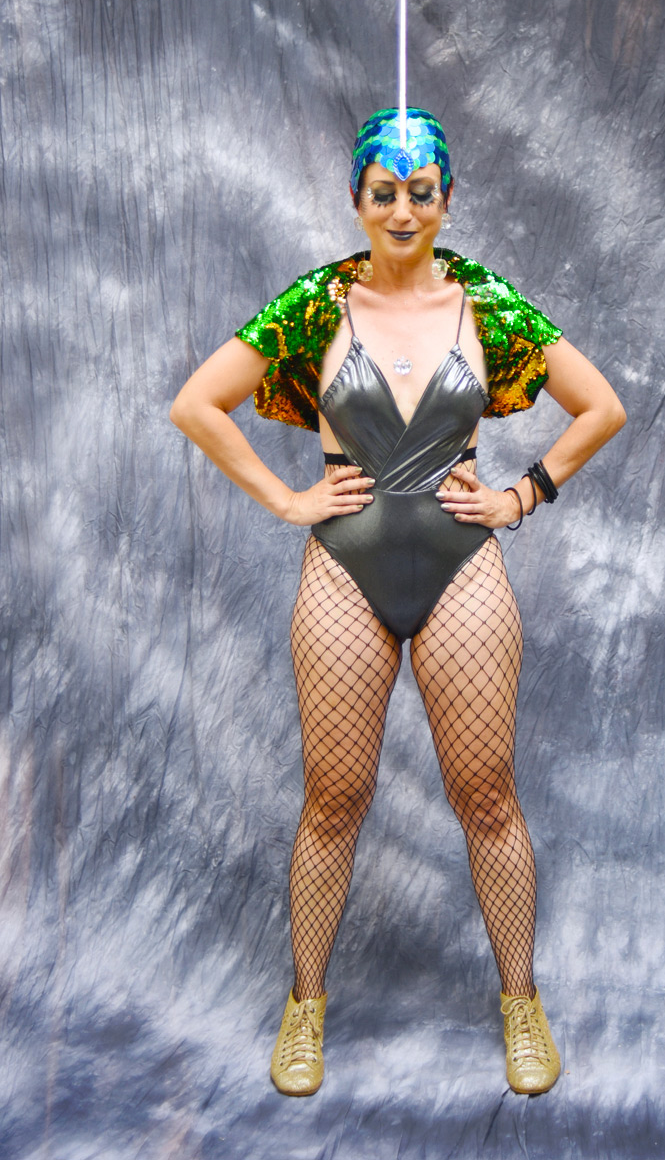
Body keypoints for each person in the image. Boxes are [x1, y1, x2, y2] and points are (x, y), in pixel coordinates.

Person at [170, 107, 626, 1097]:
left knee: (487, 796)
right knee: (333, 799)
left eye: (422, 192)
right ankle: (304, 1006)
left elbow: (602, 405)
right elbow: (196, 402)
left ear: (447, 198)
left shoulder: (485, 300)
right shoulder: (317, 303)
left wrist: (521, 494)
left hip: (463, 565)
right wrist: (288, 499)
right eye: (385, 192)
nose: (404, 210)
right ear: (357, 199)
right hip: (345, 565)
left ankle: (521, 1001)